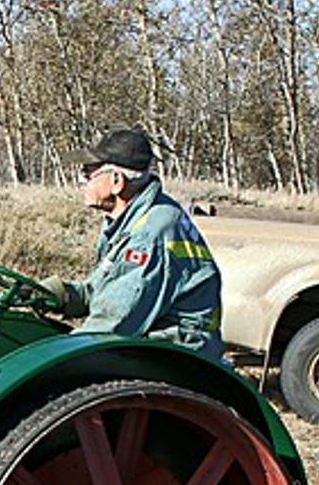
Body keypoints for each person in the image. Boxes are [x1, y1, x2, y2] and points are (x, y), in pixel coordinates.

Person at [42, 127, 225, 358]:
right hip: (156, 341)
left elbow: (113, 323)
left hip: (176, 356)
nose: (81, 181)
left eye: (88, 173)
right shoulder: (134, 220)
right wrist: (54, 294)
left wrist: (52, 356)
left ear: (117, 181)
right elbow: (105, 291)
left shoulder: (150, 233)